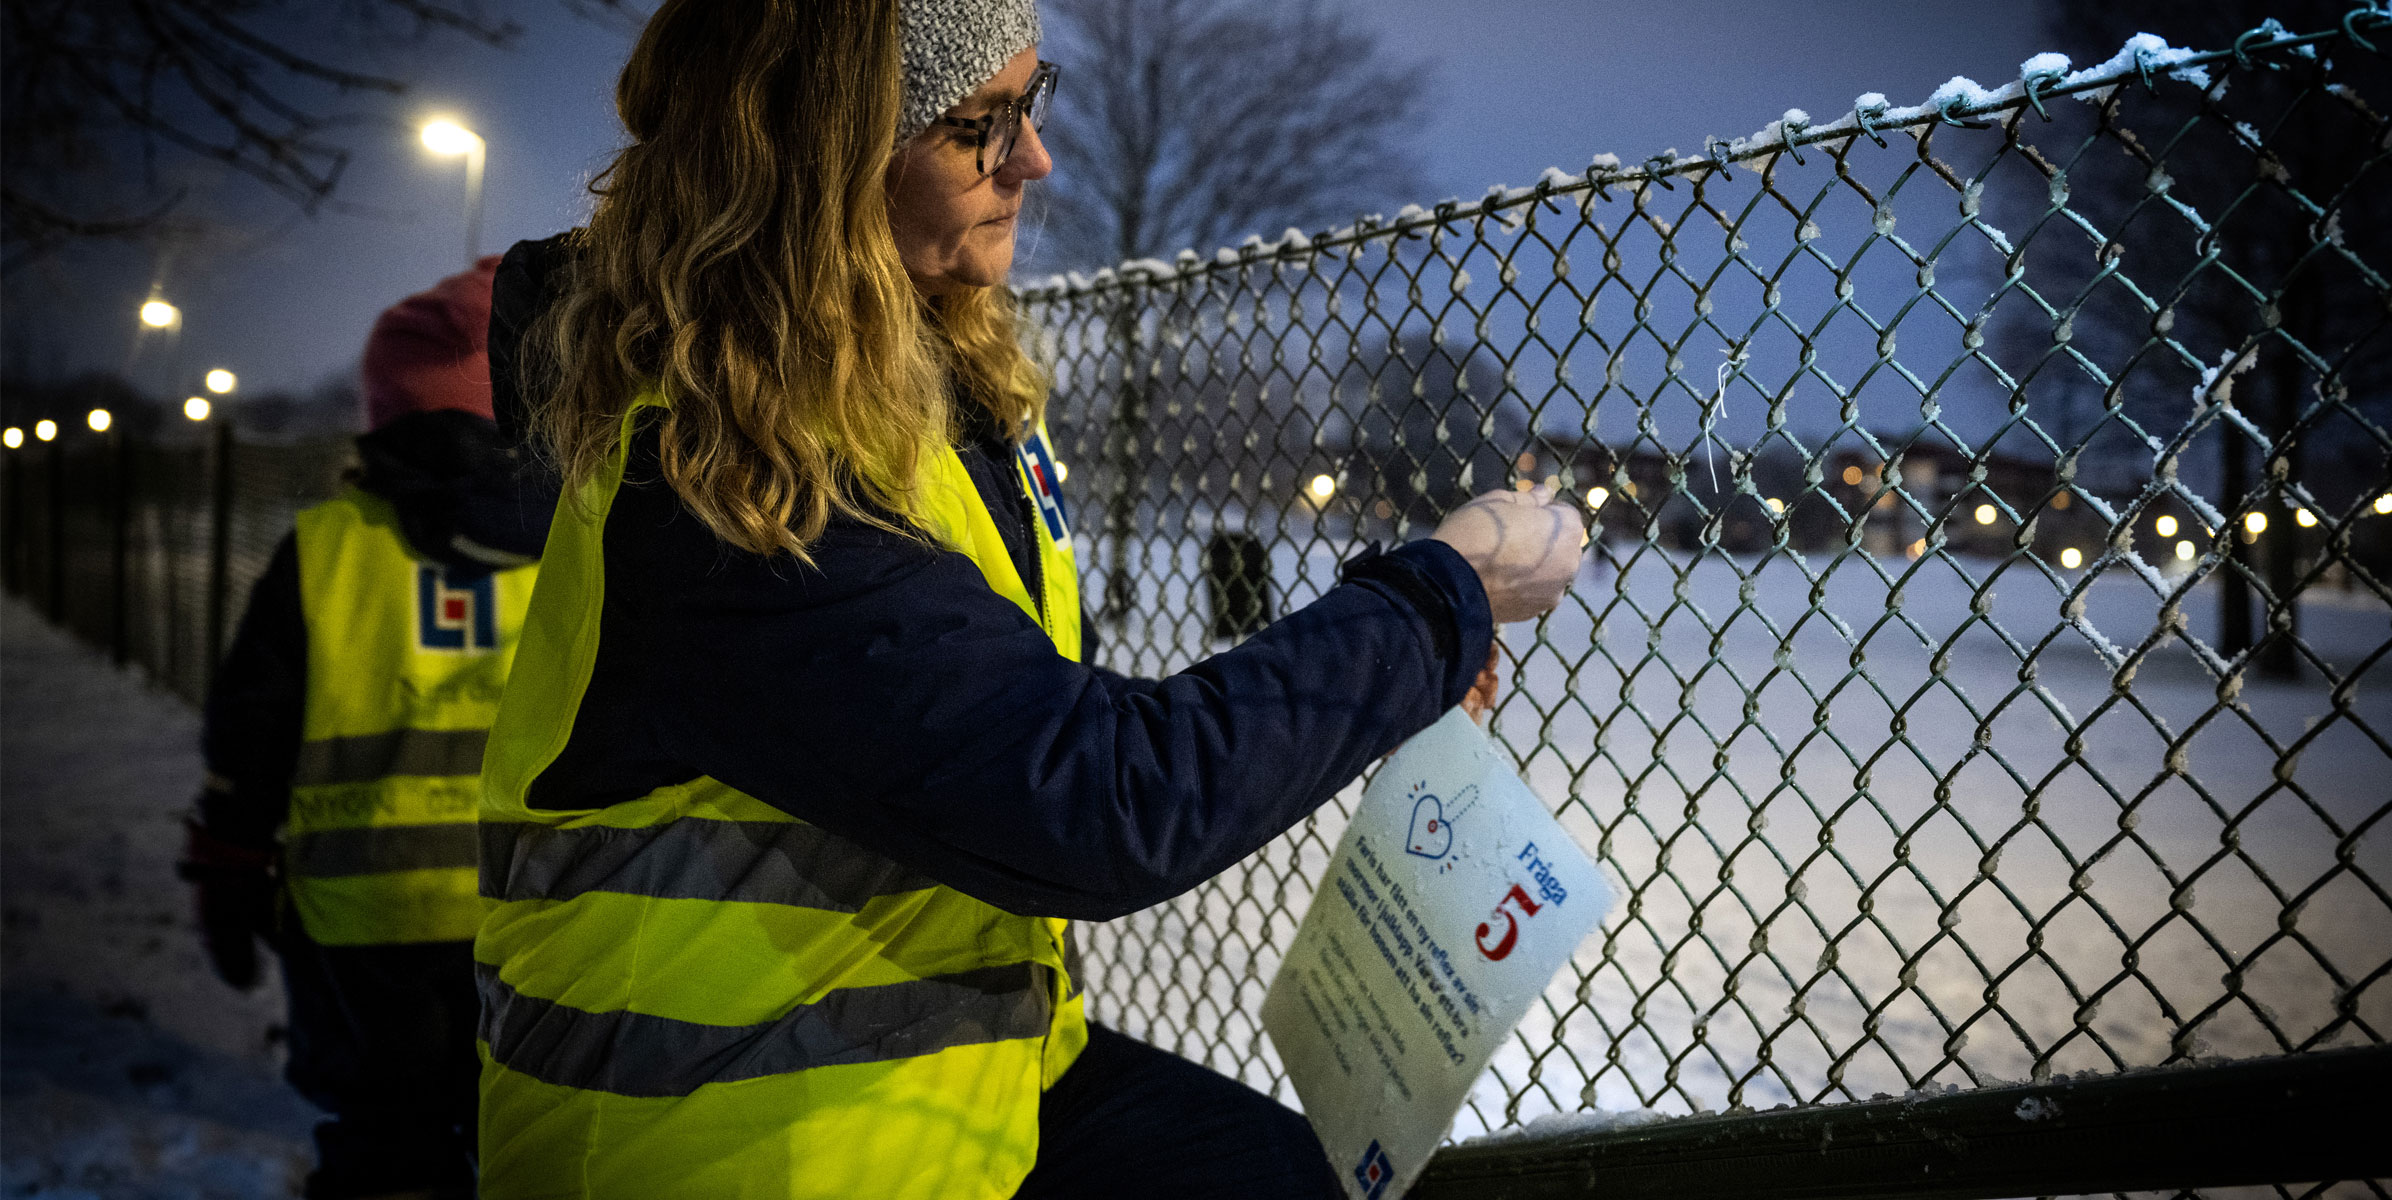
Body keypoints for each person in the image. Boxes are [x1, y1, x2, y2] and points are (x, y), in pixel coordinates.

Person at [473, 1, 1584, 1197]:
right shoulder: (715, 475)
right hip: (736, 1143)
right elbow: (1090, 796)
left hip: (961, 1081)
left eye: (1030, 102)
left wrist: (1393, 649)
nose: (1035, 160)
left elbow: (1008, 709)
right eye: (973, 126)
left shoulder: (924, 393)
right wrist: (1433, 600)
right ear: (814, 158)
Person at [181, 258, 554, 1200]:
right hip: (533, 916)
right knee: (529, 1139)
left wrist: (229, 871)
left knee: (385, 1147)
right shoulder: (576, 543)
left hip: (360, 927)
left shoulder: (325, 551)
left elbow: (251, 742)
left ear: (384, 408)